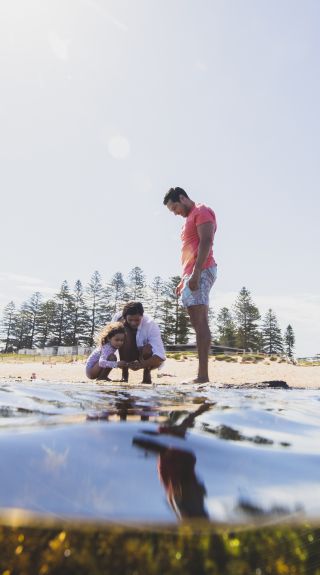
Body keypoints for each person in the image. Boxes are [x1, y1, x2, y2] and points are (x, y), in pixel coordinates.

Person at [163, 186, 217, 383]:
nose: (175, 213)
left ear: (183, 198)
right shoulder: (189, 218)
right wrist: (184, 279)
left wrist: (196, 273)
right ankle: (201, 375)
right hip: (192, 273)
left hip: (201, 270)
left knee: (200, 322)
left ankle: (202, 376)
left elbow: (206, 241)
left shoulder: (201, 211)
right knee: (196, 322)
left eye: (175, 208)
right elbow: (189, 251)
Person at [112, 301, 166, 384]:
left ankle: (147, 374)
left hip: (144, 357)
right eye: (130, 320)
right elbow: (109, 341)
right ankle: (124, 374)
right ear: (124, 317)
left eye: (137, 320)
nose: (133, 323)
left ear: (142, 316)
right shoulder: (117, 319)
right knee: (121, 334)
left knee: (148, 348)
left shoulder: (150, 324)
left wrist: (142, 364)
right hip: (126, 356)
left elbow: (160, 355)